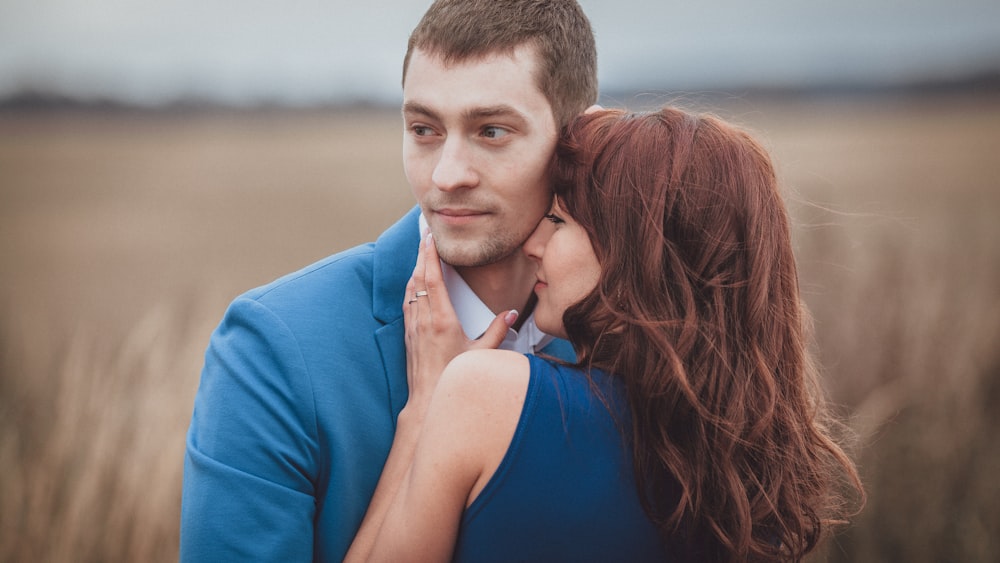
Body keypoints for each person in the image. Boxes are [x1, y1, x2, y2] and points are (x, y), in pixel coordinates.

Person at [343, 107, 865, 562]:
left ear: (637, 250)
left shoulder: (487, 394)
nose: (533, 245)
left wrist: (425, 406)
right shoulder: (751, 455)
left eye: (558, 220)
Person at [180, 1, 597, 560]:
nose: (446, 175)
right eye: (423, 129)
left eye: (491, 131)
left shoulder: (629, 332)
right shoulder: (272, 350)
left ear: (578, 140)